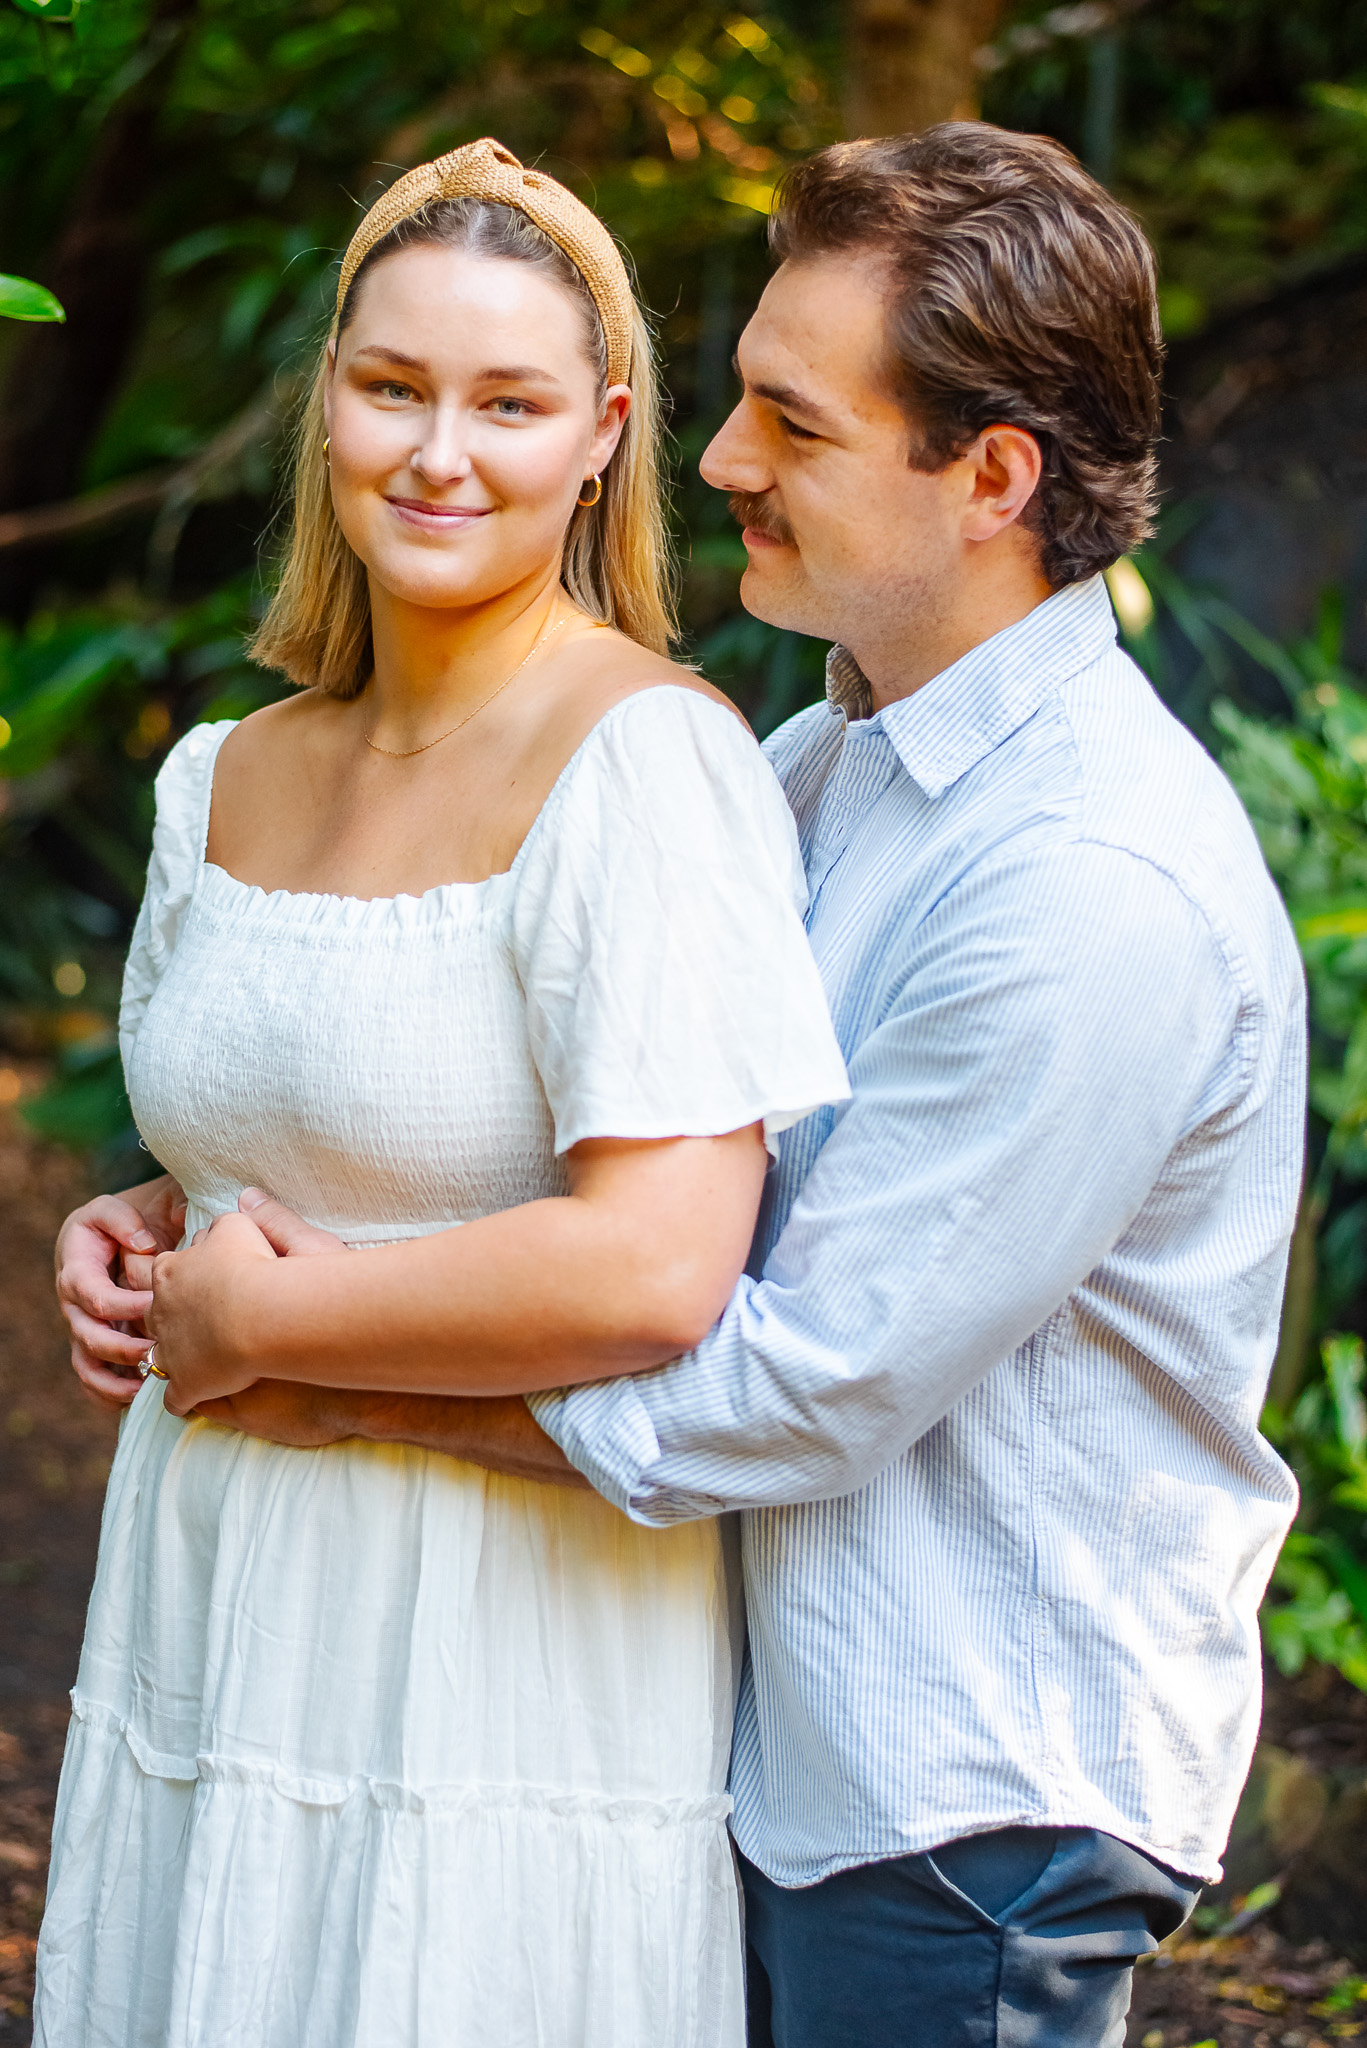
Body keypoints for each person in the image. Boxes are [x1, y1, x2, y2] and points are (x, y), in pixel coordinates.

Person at [77, 124, 1310, 2046]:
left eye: (789, 424)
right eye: (736, 401)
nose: (722, 461)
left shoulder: (1091, 882)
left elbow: (798, 1377)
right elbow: (558, 1105)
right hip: (774, 1736)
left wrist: (300, 1362)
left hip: (958, 1800)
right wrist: (202, 1216)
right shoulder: (838, 769)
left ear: (992, 478)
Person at [37, 137, 850, 2048]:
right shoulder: (224, 772)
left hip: (494, 1629)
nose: (438, 453)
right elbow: (276, 1131)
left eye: (507, 403)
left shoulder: (644, 761)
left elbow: (660, 1270)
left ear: (603, 436)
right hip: (216, 1576)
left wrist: (274, 1313)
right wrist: (154, 1226)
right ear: (328, 392)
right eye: (392, 387)